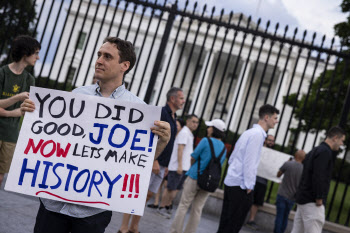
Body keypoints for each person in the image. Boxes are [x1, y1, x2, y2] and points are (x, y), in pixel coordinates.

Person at [20, 37, 171, 233]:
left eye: (107, 56)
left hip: (93, 211)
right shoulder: (77, 94)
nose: (99, 60)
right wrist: (33, 115)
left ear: (124, 65)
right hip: (53, 202)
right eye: (99, 55)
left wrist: (162, 142)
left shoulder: (139, 111)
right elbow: (55, 140)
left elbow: (139, 162)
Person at [118, 87, 185, 233]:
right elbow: (151, 135)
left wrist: (166, 164)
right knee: (137, 194)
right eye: (181, 98)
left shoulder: (174, 117)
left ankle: (134, 226)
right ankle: (124, 227)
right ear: (172, 99)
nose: (183, 101)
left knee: (147, 195)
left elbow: (169, 142)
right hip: (153, 161)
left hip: (163, 164)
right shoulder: (161, 112)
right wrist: (154, 160)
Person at [217, 104, 279, 233]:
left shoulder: (249, 132)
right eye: (275, 118)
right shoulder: (257, 135)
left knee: (226, 223)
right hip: (241, 186)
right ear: (266, 117)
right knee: (233, 225)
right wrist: (249, 185)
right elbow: (249, 163)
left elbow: (233, 157)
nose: (276, 121)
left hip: (232, 181)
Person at [170, 119, 227, 233]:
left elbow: (193, 156)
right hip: (209, 182)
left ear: (214, 130)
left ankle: (176, 231)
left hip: (195, 176)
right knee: (197, 209)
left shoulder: (206, 141)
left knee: (184, 205)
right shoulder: (224, 148)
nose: (208, 128)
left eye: (210, 127)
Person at [0, 35, 40, 187]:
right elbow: (18, 108)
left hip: (10, 135)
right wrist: (16, 101)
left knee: (0, 178)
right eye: (35, 52)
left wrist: (6, 111)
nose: (38, 57)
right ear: (26, 53)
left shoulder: (29, 80)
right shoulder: (2, 73)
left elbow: (28, 110)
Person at [291, 126, 346, 233]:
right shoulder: (325, 152)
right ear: (335, 138)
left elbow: (307, 172)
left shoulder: (315, 150)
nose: (342, 144)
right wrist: (319, 198)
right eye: (342, 140)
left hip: (303, 199)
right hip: (312, 202)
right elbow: (319, 176)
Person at [157, 114, 199, 219]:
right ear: (188, 121)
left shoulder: (189, 134)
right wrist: (179, 165)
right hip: (178, 166)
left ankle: (167, 206)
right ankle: (162, 206)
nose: (195, 124)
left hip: (184, 167)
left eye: (197, 122)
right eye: (193, 121)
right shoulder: (184, 133)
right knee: (171, 188)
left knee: (175, 189)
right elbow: (180, 149)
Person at [148, 118, 185, 209]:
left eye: (177, 125)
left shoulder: (178, 137)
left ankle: (160, 203)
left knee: (161, 185)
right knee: (156, 186)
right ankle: (157, 202)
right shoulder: (172, 135)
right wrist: (155, 160)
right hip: (160, 162)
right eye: (175, 125)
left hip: (167, 164)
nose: (175, 126)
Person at [246, 135, 275, 230]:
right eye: (269, 140)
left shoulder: (273, 154)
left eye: (272, 141)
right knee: (247, 199)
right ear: (265, 140)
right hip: (253, 179)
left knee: (257, 202)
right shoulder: (259, 149)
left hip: (263, 181)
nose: (271, 142)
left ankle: (251, 220)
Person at [274, 149, 306, 233]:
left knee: (279, 216)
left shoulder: (288, 164)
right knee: (285, 217)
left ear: (295, 155)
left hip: (282, 193)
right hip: (292, 197)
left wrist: (287, 162)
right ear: (303, 158)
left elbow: (278, 174)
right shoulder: (304, 169)